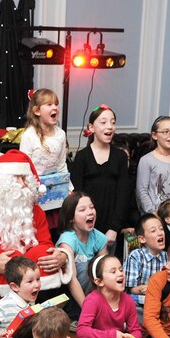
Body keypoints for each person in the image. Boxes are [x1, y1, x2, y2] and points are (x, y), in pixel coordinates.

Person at [0, 149, 72, 309]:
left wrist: (59, 258)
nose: (22, 184)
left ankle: (44, 317)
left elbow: (45, 245)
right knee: (15, 262)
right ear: (0, 182)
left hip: (33, 283)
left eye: (25, 178)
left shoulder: (35, 210)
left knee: (41, 254)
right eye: (15, 178)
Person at [70, 105, 130, 250]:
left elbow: (123, 194)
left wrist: (114, 228)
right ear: (91, 127)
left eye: (113, 122)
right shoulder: (82, 156)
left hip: (111, 228)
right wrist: (83, 227)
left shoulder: (120, 156)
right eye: (103, 122)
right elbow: (77, 195)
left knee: (107, 269)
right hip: (85, 227)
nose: (110, 127)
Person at [19, 88, 68, 229]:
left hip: (54, 193)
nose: (55, 108)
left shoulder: (61, 134)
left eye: (56, 104)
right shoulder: (29, 135)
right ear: (37, 111)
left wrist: (67, 188)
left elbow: (61, 164)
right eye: (49, 104)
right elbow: (23, 167)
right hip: (34, 194)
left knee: (54, 229)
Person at [56, 192, 108, 307]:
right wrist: (87, 310)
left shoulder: (99, 237)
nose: (90, 212)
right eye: (82, 209)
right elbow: (72, 280)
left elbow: (105, 272)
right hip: (70, 297)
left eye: (92, 207)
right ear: (71, 218)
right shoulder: (67, 240)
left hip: (93, 293)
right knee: (85, 266)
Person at [136, 116, 170, 216]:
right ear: (154, 135)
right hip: (155, 216)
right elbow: (142, 191)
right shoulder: (146, 160)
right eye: (166, 132)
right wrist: (153, 213)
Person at [125, 213, 169, 324]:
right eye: (153, 231)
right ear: (142, 239)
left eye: (161, 229)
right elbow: (130, 289)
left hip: (161, 302)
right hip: (141, 302)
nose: (160, 233)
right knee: (129, 303)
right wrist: (144, 289)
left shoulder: (168, 257)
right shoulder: (136, 256)